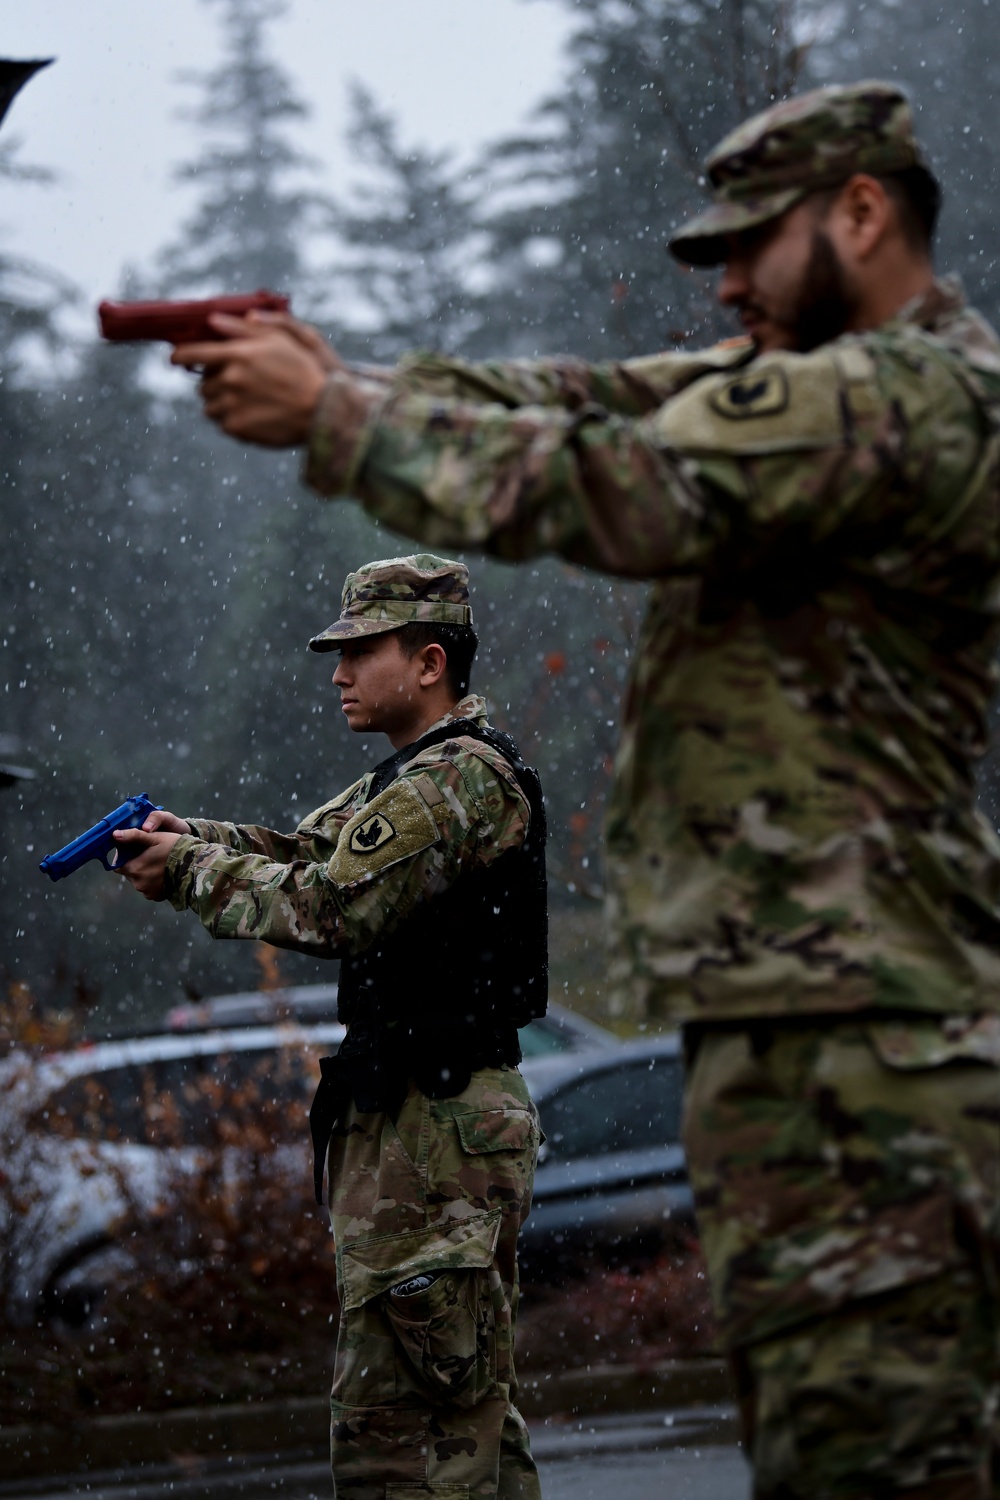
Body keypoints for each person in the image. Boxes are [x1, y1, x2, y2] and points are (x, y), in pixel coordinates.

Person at [168, 82, 1000, 1499]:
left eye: (752, 243)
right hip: (806, 1030)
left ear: (865, 214)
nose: (727, 282)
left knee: (881, 1465)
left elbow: (610, 475)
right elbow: (580, 399)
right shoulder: (804, 389)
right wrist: (344, 377)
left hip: (875, 1047)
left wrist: (339, 422)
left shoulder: (905, 399)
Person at [116, 554, 547, 1500]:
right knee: (423, 1423)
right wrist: (199, 839)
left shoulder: (458, 784)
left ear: (429, 662)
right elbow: (312, 856)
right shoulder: (412, 780)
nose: (340, 673)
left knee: (424, 1434)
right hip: (411, 1122)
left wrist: (188, 872)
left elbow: (329, 908)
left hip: (438, 1128)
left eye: (361, 650)